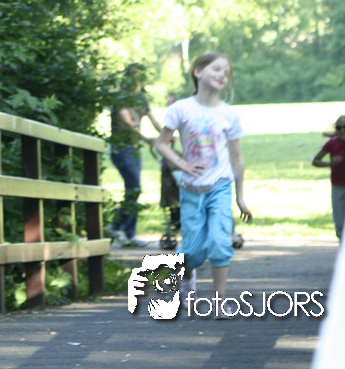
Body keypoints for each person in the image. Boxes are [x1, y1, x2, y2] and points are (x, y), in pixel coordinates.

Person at [152, 52, 253, 318]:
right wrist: (181, 163)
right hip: (191, 190)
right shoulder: (181, 109)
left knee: (219, 243)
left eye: (226, 73)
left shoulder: (229, 114)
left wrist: (240, 196)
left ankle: (220, 302)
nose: (222, 75)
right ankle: (187, 277)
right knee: (193, 253)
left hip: (220, 186)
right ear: (198, 71)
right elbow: (161, 144)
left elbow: (237, 157)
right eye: (216, 69)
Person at [106, 63, 163, 248]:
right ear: (128, 77)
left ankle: (122, 230)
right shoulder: (120, 98)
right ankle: (122, 230)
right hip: (121, 149)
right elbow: (128, 123)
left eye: (140, 77)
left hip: (135, 150)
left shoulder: (141, 98)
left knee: (134, 190)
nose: (138, 81)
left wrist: (166, 135)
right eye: (135, 76)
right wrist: (147, 139)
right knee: (134, 188)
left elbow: (153, 119)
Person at [312, 115, 345, 239]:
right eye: (339, 128)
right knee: (340, 224)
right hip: (337, 186)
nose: (342, 130)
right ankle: (342, 242)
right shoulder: (332, 144)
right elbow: (315, 161)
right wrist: (329, 164)